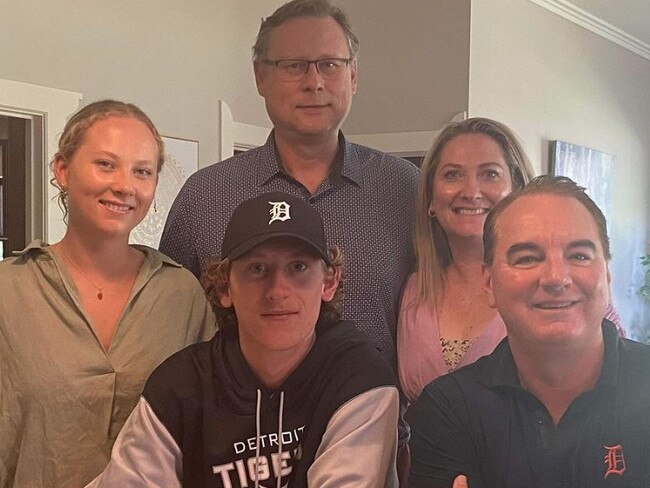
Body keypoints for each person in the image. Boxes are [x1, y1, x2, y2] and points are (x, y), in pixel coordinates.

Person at [159, 0, 419, 376]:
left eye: (330, 64)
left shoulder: (405, 189)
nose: (314, 82)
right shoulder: (205, 196)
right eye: (294, 65)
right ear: (260, 76)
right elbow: (173, 325)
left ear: (354, 76)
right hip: (238, 428)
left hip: (374, 424)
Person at [88, 192, 400, 488]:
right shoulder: (180, 387)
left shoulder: (359, 378)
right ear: (224, 288)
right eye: (258, 269)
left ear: (328, 282)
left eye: (298, 267)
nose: (278, 291)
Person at [0, 100, 216, 488]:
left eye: (142, 171)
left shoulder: (182, 294)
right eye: (105, 164)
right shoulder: (9, 291)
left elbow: (211, 427)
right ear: (62, 170)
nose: (124, 185)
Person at [409, 175, 650, 487]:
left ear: (605, 273)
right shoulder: (450, 407)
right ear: (488, 283)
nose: (555, 278)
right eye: (527, 258)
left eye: (578, 255)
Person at [397, 117, 623, 404]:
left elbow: (616, 395)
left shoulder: (563, 292)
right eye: (452, 175)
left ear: (517, 190)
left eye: (490, 174)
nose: (471, 192)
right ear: (430, 197)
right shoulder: (412, 289)